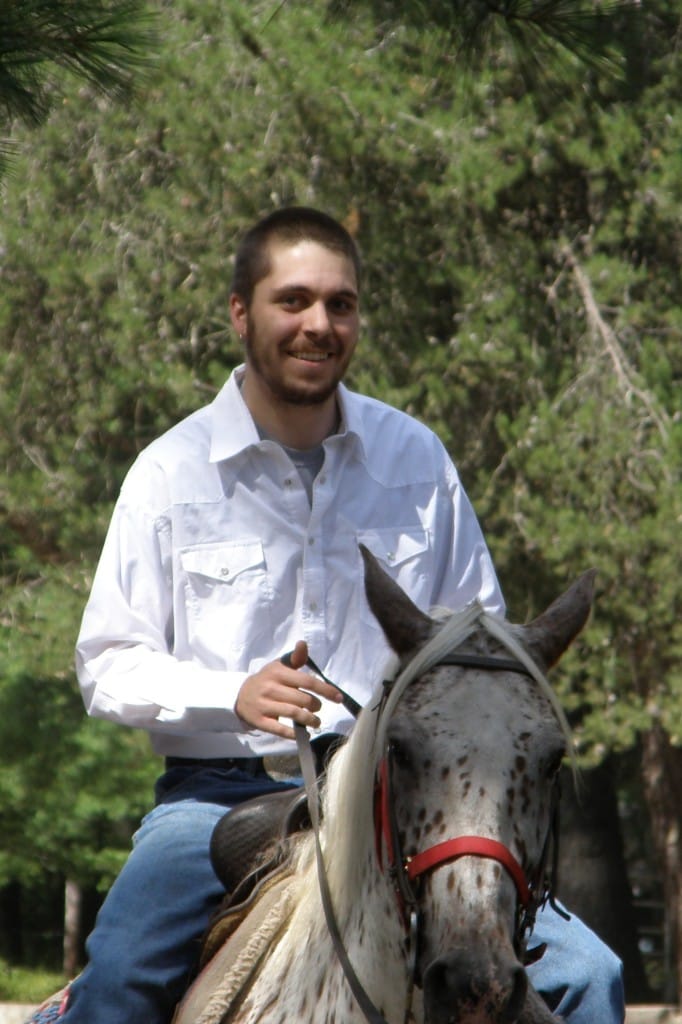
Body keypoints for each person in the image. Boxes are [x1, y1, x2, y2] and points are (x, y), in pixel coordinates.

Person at [57, 207, 623, 1024]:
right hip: (221, 799)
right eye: (293, 300)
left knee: (592, 979)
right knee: (116, 988)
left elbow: (479, 650)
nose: (318, 324)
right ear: (240, 313)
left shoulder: (416, 460)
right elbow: (106, 660)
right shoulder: (168, 473)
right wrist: (233, 694)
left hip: (409, 800)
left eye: (340, 304)